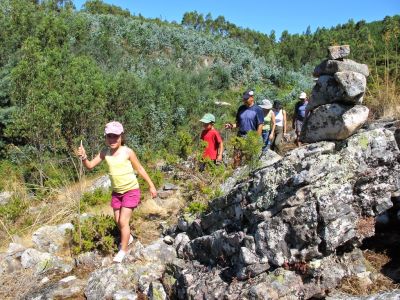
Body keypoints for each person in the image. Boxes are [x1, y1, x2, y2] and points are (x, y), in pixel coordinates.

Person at [77, 121, 157, 263]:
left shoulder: (128, 152)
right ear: (106, 138)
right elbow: (89, 166)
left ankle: (123, 250)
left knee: (123, 221)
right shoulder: (105, 152)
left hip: (131, 190)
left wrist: (151, 185)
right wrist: (83, 157)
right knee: (117, 221)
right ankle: (129, 237)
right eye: (109, 136)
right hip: (117, 193)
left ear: (121, 136)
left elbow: (140, 169)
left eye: (115, 136)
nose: (112, 139)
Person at [224, 89, 264, 167]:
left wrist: (256, 138)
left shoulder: (258, 109)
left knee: (249, 158)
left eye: (246, 98)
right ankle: (234, 174)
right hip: (240, 136)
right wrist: (231, 126)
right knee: (236, 157)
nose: (244, 100)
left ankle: (247, 175)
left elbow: (260, 125)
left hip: (251, 137)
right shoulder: (241, 108)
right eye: (244, 98)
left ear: (252, 98)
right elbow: (238, 124)